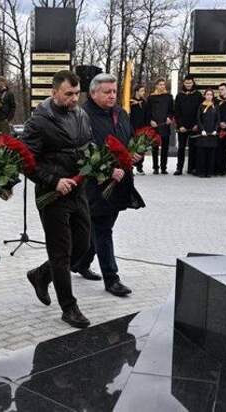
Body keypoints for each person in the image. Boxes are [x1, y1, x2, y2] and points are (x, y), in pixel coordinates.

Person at [23, 70, 93, 329]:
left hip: (78, 190)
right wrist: (53, 181)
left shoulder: (81, 114)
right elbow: (25, 161)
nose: (74, 99)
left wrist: (98, 162)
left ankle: (41, 274)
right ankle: (69, 307)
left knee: (82, 245)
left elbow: (88, 145)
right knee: (60, 252)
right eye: (68, 94)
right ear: (54, 93)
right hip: (53, 195)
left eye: (77, 93)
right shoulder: (38, 122)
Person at [72, 73, 145, 296]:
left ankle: (81, 263)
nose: (112, 95)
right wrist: (105, 169)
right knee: (103, 229)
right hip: (96, 184)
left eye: (114, 91)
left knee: (100, 228)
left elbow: (128, 139)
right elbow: (82, 150)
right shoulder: (82, 115)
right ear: (93, 93)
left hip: (120, 181)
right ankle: (112, 278)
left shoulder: (120, 113)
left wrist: (135, 154)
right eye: (107, 92)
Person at [174, 75, 203, 175]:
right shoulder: (179, 95)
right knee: (181, 148)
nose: (188, 85)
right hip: (182, 127)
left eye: (190, 83)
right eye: (186, 83)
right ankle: (179, 168)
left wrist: (197, 124)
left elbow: (200, 111)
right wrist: (180, 126)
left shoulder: (198, 95)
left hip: (194, 127)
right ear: (184, 83)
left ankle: (192, 168)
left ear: (193, 83)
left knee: (193, 148)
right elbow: (176, 112)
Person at [144, 78, 174, 174]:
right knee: (155, 148)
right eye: (160, 84)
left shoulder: (169, 96)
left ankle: (164, 167)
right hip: (155, 126)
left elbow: (171, 110)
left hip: (165, 125)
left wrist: (169, 117)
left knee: (165, 148)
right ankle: (155, 167)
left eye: (163, 84)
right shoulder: (151, 97)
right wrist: (150, 120)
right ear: (156, 86)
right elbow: (147, 111)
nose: (162, 86)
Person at [196, 89, 220, 178]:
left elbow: (218, 119)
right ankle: (201, 172)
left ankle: (209, 172)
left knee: (211, 154)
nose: (209, 96)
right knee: (202, 154)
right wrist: (202, 129)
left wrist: (215, 130)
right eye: (207, 94)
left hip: (212, 134)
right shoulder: (201, 106)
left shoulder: (215, 106)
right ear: (205, 96)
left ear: (213, 96)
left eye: (211, 94)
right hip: (203, 134)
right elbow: (198, 119)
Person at [130, 84, 146, 175]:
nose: (143, 93)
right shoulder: (130, 102)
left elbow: (147, 114)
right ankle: (130, 167)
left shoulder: (144, 102)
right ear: (136, 91)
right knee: (131, 147)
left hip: (142, 128)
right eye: (142, 91)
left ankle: (140, 167)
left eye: (144, 91)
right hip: (132, 127)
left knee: (142, 148)